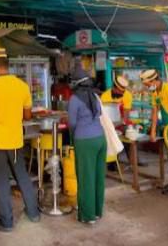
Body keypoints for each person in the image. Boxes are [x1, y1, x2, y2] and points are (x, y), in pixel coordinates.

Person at [0, 49, 40, 232]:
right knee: (22, 176)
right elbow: (28, 115)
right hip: (15, 142)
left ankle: (6, 222)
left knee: (0, 181)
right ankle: (33, 213)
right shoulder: (22, 86)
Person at [67, 67, 107, 224]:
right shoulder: (95, 96)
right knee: (98, 177)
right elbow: (100, 115)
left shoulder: (74, 99)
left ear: (76, 84)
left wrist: (74, 137)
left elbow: (72, 123)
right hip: (100, 139)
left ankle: (88, 216)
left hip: (85, 141)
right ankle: (97, 211)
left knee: (86, 178)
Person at [100, 74, 145, 167]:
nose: (122, 94)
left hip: (121, 122)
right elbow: (104, 117)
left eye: (123, 92)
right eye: (120, 91)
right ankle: (112, 163)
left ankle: (134, 160)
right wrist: (111, 127)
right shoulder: (105, 96)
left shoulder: (127, 95)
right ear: (114, 88)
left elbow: (126, 115)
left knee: (129, 134)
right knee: (111, 137)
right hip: (108, 123)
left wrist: (121, 123)